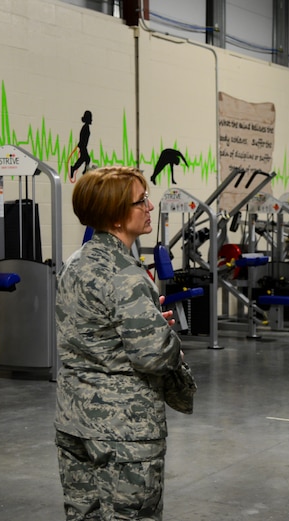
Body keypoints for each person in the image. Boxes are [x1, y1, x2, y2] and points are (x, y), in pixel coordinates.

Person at [54, 166, 186, 520]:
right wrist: (165, 334)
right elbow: (154, 357)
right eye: (140, 201)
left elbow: (89, 333)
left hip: (74, 421)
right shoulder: (126, 274)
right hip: (124, 430)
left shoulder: (74, 264)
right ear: (115, 217)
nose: (150, 206)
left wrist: (144, 322)